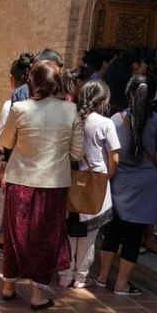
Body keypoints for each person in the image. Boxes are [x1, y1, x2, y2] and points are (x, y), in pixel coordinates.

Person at [0, 60, 84, 310]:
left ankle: (8, 286)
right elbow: (78, 153)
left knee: (16, 235)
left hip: (20, 181)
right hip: (53, 185)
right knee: (46, 238)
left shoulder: (20, 108)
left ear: (33, 81)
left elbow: (6, 140)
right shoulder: (70, 111)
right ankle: (37, 295)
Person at [96, 74, 157, 295]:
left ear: (129, 93)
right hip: (146, 187)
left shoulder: (115, 120)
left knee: (112, 231)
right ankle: (121, 284)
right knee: (133, 237)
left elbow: (110, 154)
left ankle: (102, 277)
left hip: (119, 183)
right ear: (152, 96)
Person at [59, 80, 119, 289]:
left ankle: (65, 274)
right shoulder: (105, 123)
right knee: (89, 234)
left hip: (69, 180)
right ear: (102, 101)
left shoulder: (69, 118)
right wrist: (107, 177)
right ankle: (80, 278)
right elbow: (115, 158)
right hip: (95, 183)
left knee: (68, 231)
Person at [0, 52, 34, 249]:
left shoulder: (13, 101)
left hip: (16, 161)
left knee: (12, 205)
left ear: (11, 78)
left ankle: (8, 240)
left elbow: (5, 138)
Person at [101, 47, 149, 112]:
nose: (146, 66)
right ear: (135, 65)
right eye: (144, 62)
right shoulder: (129, 84)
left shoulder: (115, 72)